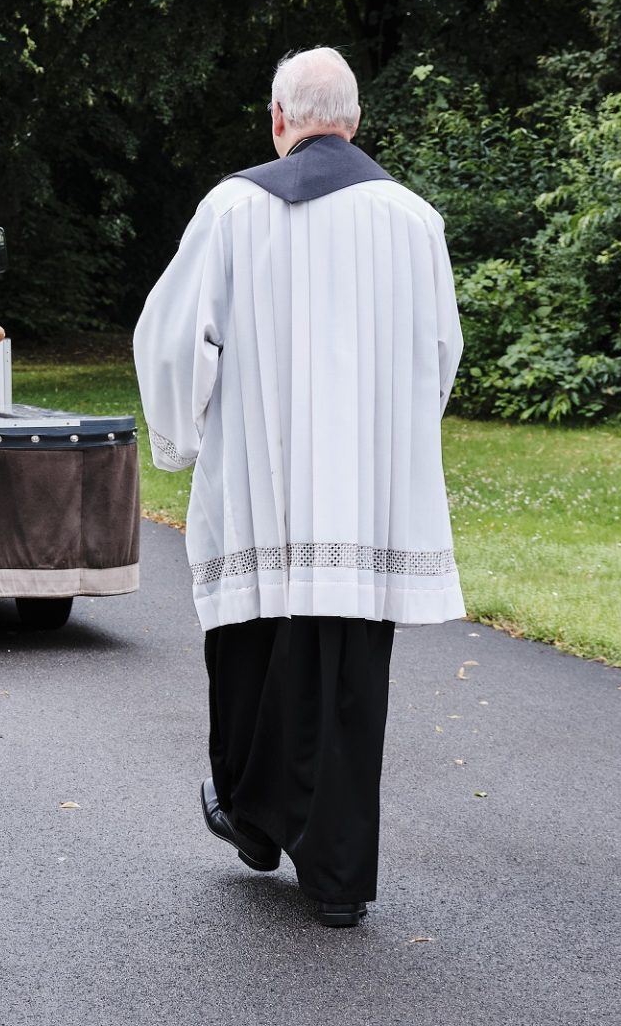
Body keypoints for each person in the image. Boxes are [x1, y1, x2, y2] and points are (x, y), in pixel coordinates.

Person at [133, 45, 464, 928]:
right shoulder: (413, 220)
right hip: (363, 491)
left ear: (278, 120)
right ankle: (338, 881)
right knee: (350, 676)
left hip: (258, 480)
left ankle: (250, 819)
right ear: (354, 122)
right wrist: (398, 440)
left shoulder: (232, 208)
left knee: (250, 649)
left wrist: (179, 439)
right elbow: (441, 357)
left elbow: (171, 340)